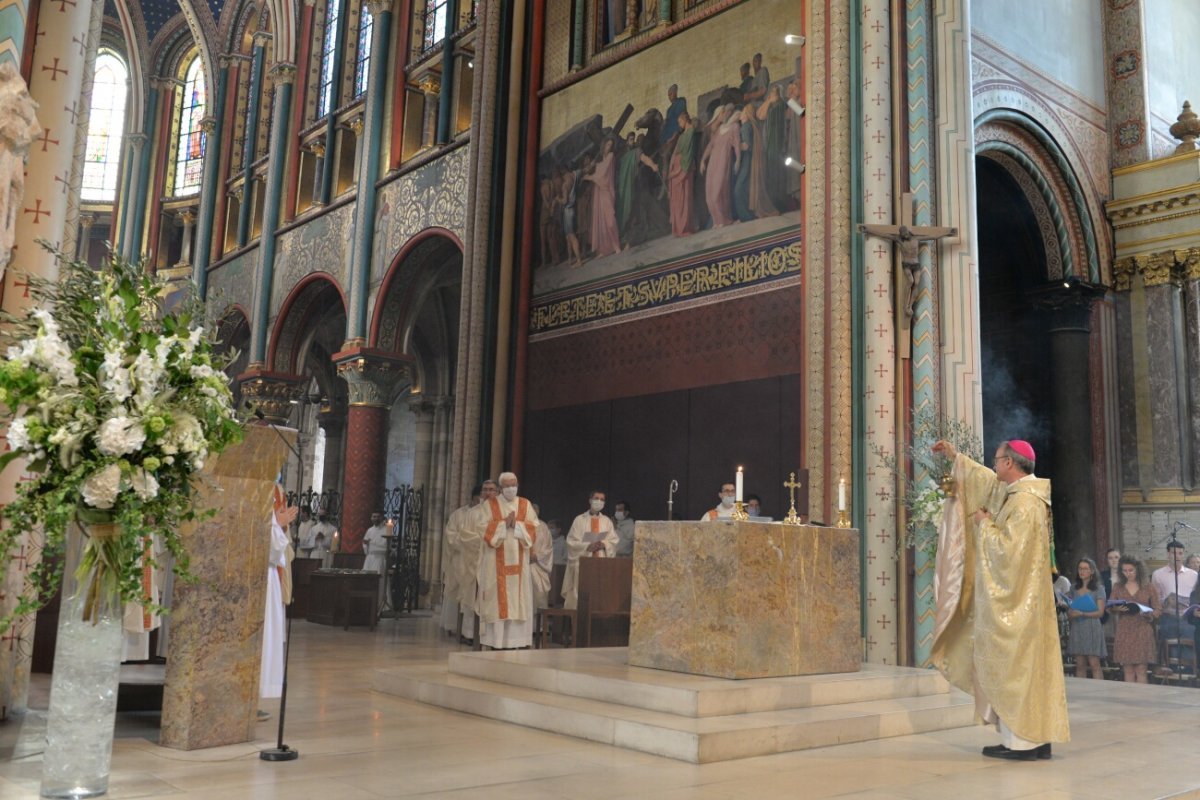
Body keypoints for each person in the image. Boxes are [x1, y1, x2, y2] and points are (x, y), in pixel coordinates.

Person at [930, 438, 1069, 760]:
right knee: (1024, 668)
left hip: (1017, 604)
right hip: (1026, 601)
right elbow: (986, 481)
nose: (994, 465)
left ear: (1010, 463)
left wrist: (983, 525)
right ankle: (1031, 738)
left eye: (997, 459)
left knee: (1014, 667)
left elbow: (1009, 554)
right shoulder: (1020, 494)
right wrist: (957, 458)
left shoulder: (1024, 503)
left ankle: (1023, 743)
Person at [468, 472, 539, 649]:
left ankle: (517, 641)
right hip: (494, 562)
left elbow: (533, 529)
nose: (511, 488)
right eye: (507, 485)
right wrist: (503, 524)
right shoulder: (489, 505)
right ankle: (495, 641)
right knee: (496, 600)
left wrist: (516, 525)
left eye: (514, 484)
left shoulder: (525, 504)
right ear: (500, 488)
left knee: (517, 600)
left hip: (519, 561)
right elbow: (482, 528)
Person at [261, 490, 297, 704]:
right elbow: (273, 547)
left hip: (269, 572)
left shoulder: (274, 490)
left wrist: (280, 523)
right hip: (262, 572)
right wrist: (277, 522)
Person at [455, 479, 499, 641]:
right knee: (473, 598)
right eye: (485, 490)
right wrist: (485, 541)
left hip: (495, 564)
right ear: (481, 493)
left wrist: (493, 540)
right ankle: (470, 634)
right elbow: (465, 536)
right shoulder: (472, 513)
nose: (488, 493)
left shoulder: (502, 513)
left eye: (492, 490)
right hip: (475, 562)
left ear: (497, 493)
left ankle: (492, 636)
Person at [563, 490, 618, 609]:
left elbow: (613, 541)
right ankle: (579, 622)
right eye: (597, 498)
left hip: (601, 563)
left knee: (599, 595)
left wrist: (603, 544)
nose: (599, 501)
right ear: (590, 500)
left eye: (602, 499)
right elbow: (571, 541)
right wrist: (587, 546)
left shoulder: (607, 521)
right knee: (580, 595)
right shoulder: (579, 520)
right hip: (582, 563)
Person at [439, 485, 481, 635]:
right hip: (459, 559)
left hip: (476, 560)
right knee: (455, 590)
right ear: (473, 497)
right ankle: (453, 626)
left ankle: (470, 630)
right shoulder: (458, 514)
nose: (480, 501)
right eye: (479, 498)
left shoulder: (484, 514)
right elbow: (451, 535)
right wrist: (465, 542)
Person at [1111, 555, 1160, 684]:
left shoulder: (1148, 586)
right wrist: (1116, 609)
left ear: (1138, 569)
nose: (1128, 573)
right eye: (1124, 571)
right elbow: (1109, 607)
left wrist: (1149, 614)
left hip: (1142, 629)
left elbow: (1158, 609)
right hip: (1125, 629)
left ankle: (1142, 701)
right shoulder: (1118, 586)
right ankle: (1130, 701)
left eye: (1131, 570)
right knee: (1128, 669)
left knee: (1141, 669)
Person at [1065, 557, 1106, 679]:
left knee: (1094, 664)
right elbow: (1071, 608)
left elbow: (1100, 612)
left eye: (1085, 569)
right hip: (1077, 627)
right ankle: (1082, 694)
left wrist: (1082, 613)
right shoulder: (1073, 588)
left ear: (1092, 571)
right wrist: (1070, 612)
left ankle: (1099, 693)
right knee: (1080, 664)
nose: (1082, 571)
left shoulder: (1099, 588)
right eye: (1080, 568)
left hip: (1092, 627)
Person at [1151, 540, 1197, 646]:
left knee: (1188, 653)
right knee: (1171, 652)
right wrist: (1166, 601)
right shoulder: (1158, 574)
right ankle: (1171, 662)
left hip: (1188, 618)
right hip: (1168, 618)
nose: (1177, 556)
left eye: (1180, 553)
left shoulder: (1193, 575)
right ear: (1168, 554)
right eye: (1174, 553)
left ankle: (1186, 663)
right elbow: (1155, 600)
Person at [530, 504, 553, 609]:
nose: (534, 511)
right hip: (524, 566)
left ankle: (539, 625)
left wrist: (537, 556)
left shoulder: (543, 527)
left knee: (539, 600)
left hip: (539, 566)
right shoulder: (519, 525)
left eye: (536, 509)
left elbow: (548, 548)